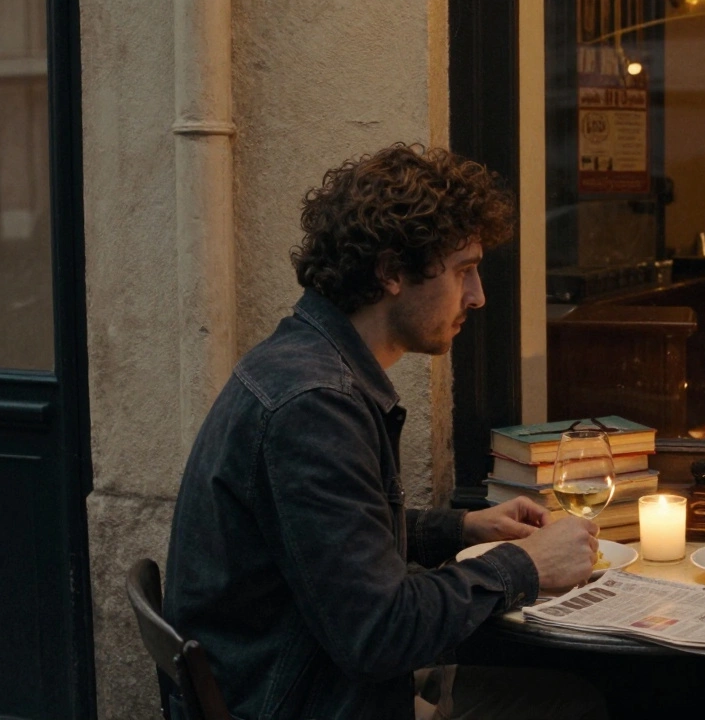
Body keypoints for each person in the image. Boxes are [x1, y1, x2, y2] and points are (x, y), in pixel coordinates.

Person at [164, 144, 606, 720]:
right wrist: (527, 567)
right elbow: (380, 632)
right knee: (573, 706)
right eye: (463, 271)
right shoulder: (316, 405)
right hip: (304, 702)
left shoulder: (305, 360)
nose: (478, 296)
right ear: (391, 271)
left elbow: (322, 541)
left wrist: (459, 528)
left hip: (304, 684)